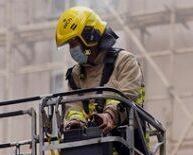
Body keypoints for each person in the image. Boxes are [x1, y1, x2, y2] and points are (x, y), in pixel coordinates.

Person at [55, 6, 145, 135]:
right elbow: (74, 106)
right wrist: (75, 122)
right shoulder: (75, 74)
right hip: (91, 151)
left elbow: (127, 96)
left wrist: (109, 115)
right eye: (69, 44)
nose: (72, 49)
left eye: (74, 42)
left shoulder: (124, 61)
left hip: (127, 147)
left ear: (90, 36)